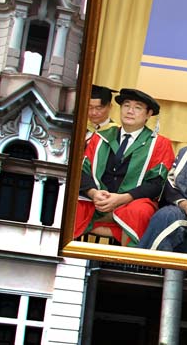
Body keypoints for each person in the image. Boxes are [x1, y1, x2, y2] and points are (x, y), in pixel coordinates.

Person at [74, 88, 174, 247]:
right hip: (97, 200)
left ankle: (125, 259)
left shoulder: (159, 144)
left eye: (137, 108)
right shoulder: (100, 138)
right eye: (126, 105)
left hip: (132, 201)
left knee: (139, 212)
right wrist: (94, 193)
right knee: (70, 205)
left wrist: (122, 199)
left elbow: (156, 184)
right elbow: (81, 171)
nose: (130, 111)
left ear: (148, 114)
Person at [139, 97, 187, 253]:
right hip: (183, 211)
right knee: (166, 216)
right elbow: (170, 183)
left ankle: (139, 262)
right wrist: (184, 204)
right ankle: (140, 262)